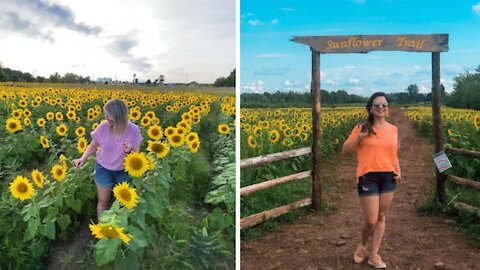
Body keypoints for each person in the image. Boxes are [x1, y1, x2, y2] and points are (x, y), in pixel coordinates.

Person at [342, 92, 401, 269]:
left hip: (388, 177)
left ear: (387, 108)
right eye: (377, 104)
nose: (381, 107)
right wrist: (359, 138)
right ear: (370, 108)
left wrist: (398, 169)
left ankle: (374, 255)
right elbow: (345, 150)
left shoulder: (393, 130)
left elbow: (393, 153)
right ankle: (362, 245)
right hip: (368, 177)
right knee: (370, 220)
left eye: (384, 104)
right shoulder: (362, 127)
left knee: (381, 216)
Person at [74, 98, 142, 218]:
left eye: (108, 115)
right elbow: (94, 145)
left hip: (123, 171)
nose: (106, 118)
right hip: (103, 169)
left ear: (118, 117)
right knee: (103, 201)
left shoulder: (133, 131)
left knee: (122, 203)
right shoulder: (103, 127)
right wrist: (82, 158)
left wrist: (129, 151)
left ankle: (118, 228)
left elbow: (137, 156)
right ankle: (102, 230)